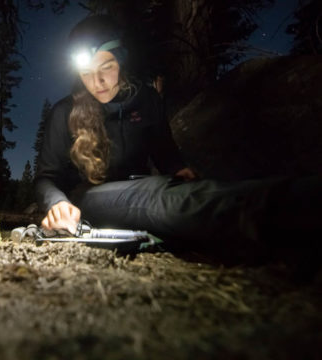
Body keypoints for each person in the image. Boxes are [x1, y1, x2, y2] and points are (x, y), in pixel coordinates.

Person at [34, 15, 322, 258]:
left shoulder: (145, 99)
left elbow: (163, 147)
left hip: (140, 186)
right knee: (161, 199)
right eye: (86, 72)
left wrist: (177, 167)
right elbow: (47, 175)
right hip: (90, 199)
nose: (97, 82)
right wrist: (56, 203)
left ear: (121, 62)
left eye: (106, 68)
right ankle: (290, 205)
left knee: (174, 195)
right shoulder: (65, 112)